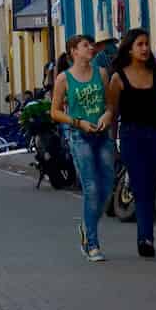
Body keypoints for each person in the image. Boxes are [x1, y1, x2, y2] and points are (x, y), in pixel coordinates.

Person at [51, 34, 116, 262]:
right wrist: (78, 122)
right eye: (85, 45)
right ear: (73, 51)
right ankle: (92, 244)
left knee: (107, 187)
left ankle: (86, 227)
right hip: (79, 136)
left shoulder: (101, 74)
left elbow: (109, 103)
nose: (90, 48)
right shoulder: (64, 78)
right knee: (91, 188)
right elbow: (55, 111)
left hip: (102, 134)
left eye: (91, 45)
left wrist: (108, 115)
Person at [113, 26, 156, 258]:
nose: (145, 49)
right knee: (140, 187)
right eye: (140, 44)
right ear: (129, 49)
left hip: (155, 137)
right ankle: (145, 238)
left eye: (147, 44)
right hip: (131, 137)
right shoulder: (118, 78)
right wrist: (111, 145)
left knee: (150, 188)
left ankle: (145, 236)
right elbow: (112, 111)